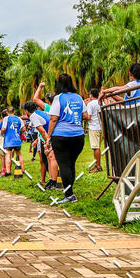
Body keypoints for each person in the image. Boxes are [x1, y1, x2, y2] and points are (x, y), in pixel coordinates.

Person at [45, 74, 88, 202]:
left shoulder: (59, 98)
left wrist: (48, 137)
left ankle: (69, 195)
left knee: (63, 165)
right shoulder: (79, 98)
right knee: (71, 164)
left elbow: (53, 118)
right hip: (78, 136)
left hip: (61, 136)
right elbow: (85, 115)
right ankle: (70, 191)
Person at [22, 101, 57, 188]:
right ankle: (52, 181)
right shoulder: (41, 112)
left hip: (52, 135)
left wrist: (47, 142)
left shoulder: (33, 116)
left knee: (51, 157)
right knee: (50, 158)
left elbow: (42, 131)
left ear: (27, 111)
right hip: (55, 133)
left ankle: (53, 182)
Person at [0, 108, 25, 177]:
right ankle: (23, 170)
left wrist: (2, 133)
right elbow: (23, 128)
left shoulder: (6, 118)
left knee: (8, 155)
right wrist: (19, 132)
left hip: (8, 140)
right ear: (14, 111)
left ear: (7, 112)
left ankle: (8, 172)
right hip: (17, 140)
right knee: (19, 154)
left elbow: (3, 129)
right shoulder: (19, 118)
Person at [86, 88, 103, 171]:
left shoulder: (90, 104)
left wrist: (83, 117)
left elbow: (88, 117)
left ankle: (98, 166)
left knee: (96, 147)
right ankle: (98, 165)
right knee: (98, 147)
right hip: (101, 127)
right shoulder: (100, 102)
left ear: (91, 95)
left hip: (93, 127)